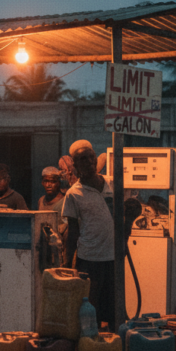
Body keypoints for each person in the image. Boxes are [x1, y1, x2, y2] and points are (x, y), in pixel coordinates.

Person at [62, 140, 117, 332]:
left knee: (114, 310)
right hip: (89, 260)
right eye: (82, 159)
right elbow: (72, 232)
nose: (89, 162)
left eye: (91, 157)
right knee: (90, 310)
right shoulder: (74, 194)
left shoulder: (112, 183)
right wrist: (68, 263)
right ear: (75, 166)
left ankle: (113, 348)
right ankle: (90, 348)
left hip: (113, 258)